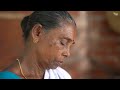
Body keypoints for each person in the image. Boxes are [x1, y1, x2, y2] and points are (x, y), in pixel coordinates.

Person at [0, 11, 77, 79]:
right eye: (62, 42)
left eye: (70, 45)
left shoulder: (62, 76)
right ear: (37, 32)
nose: (67, 53)